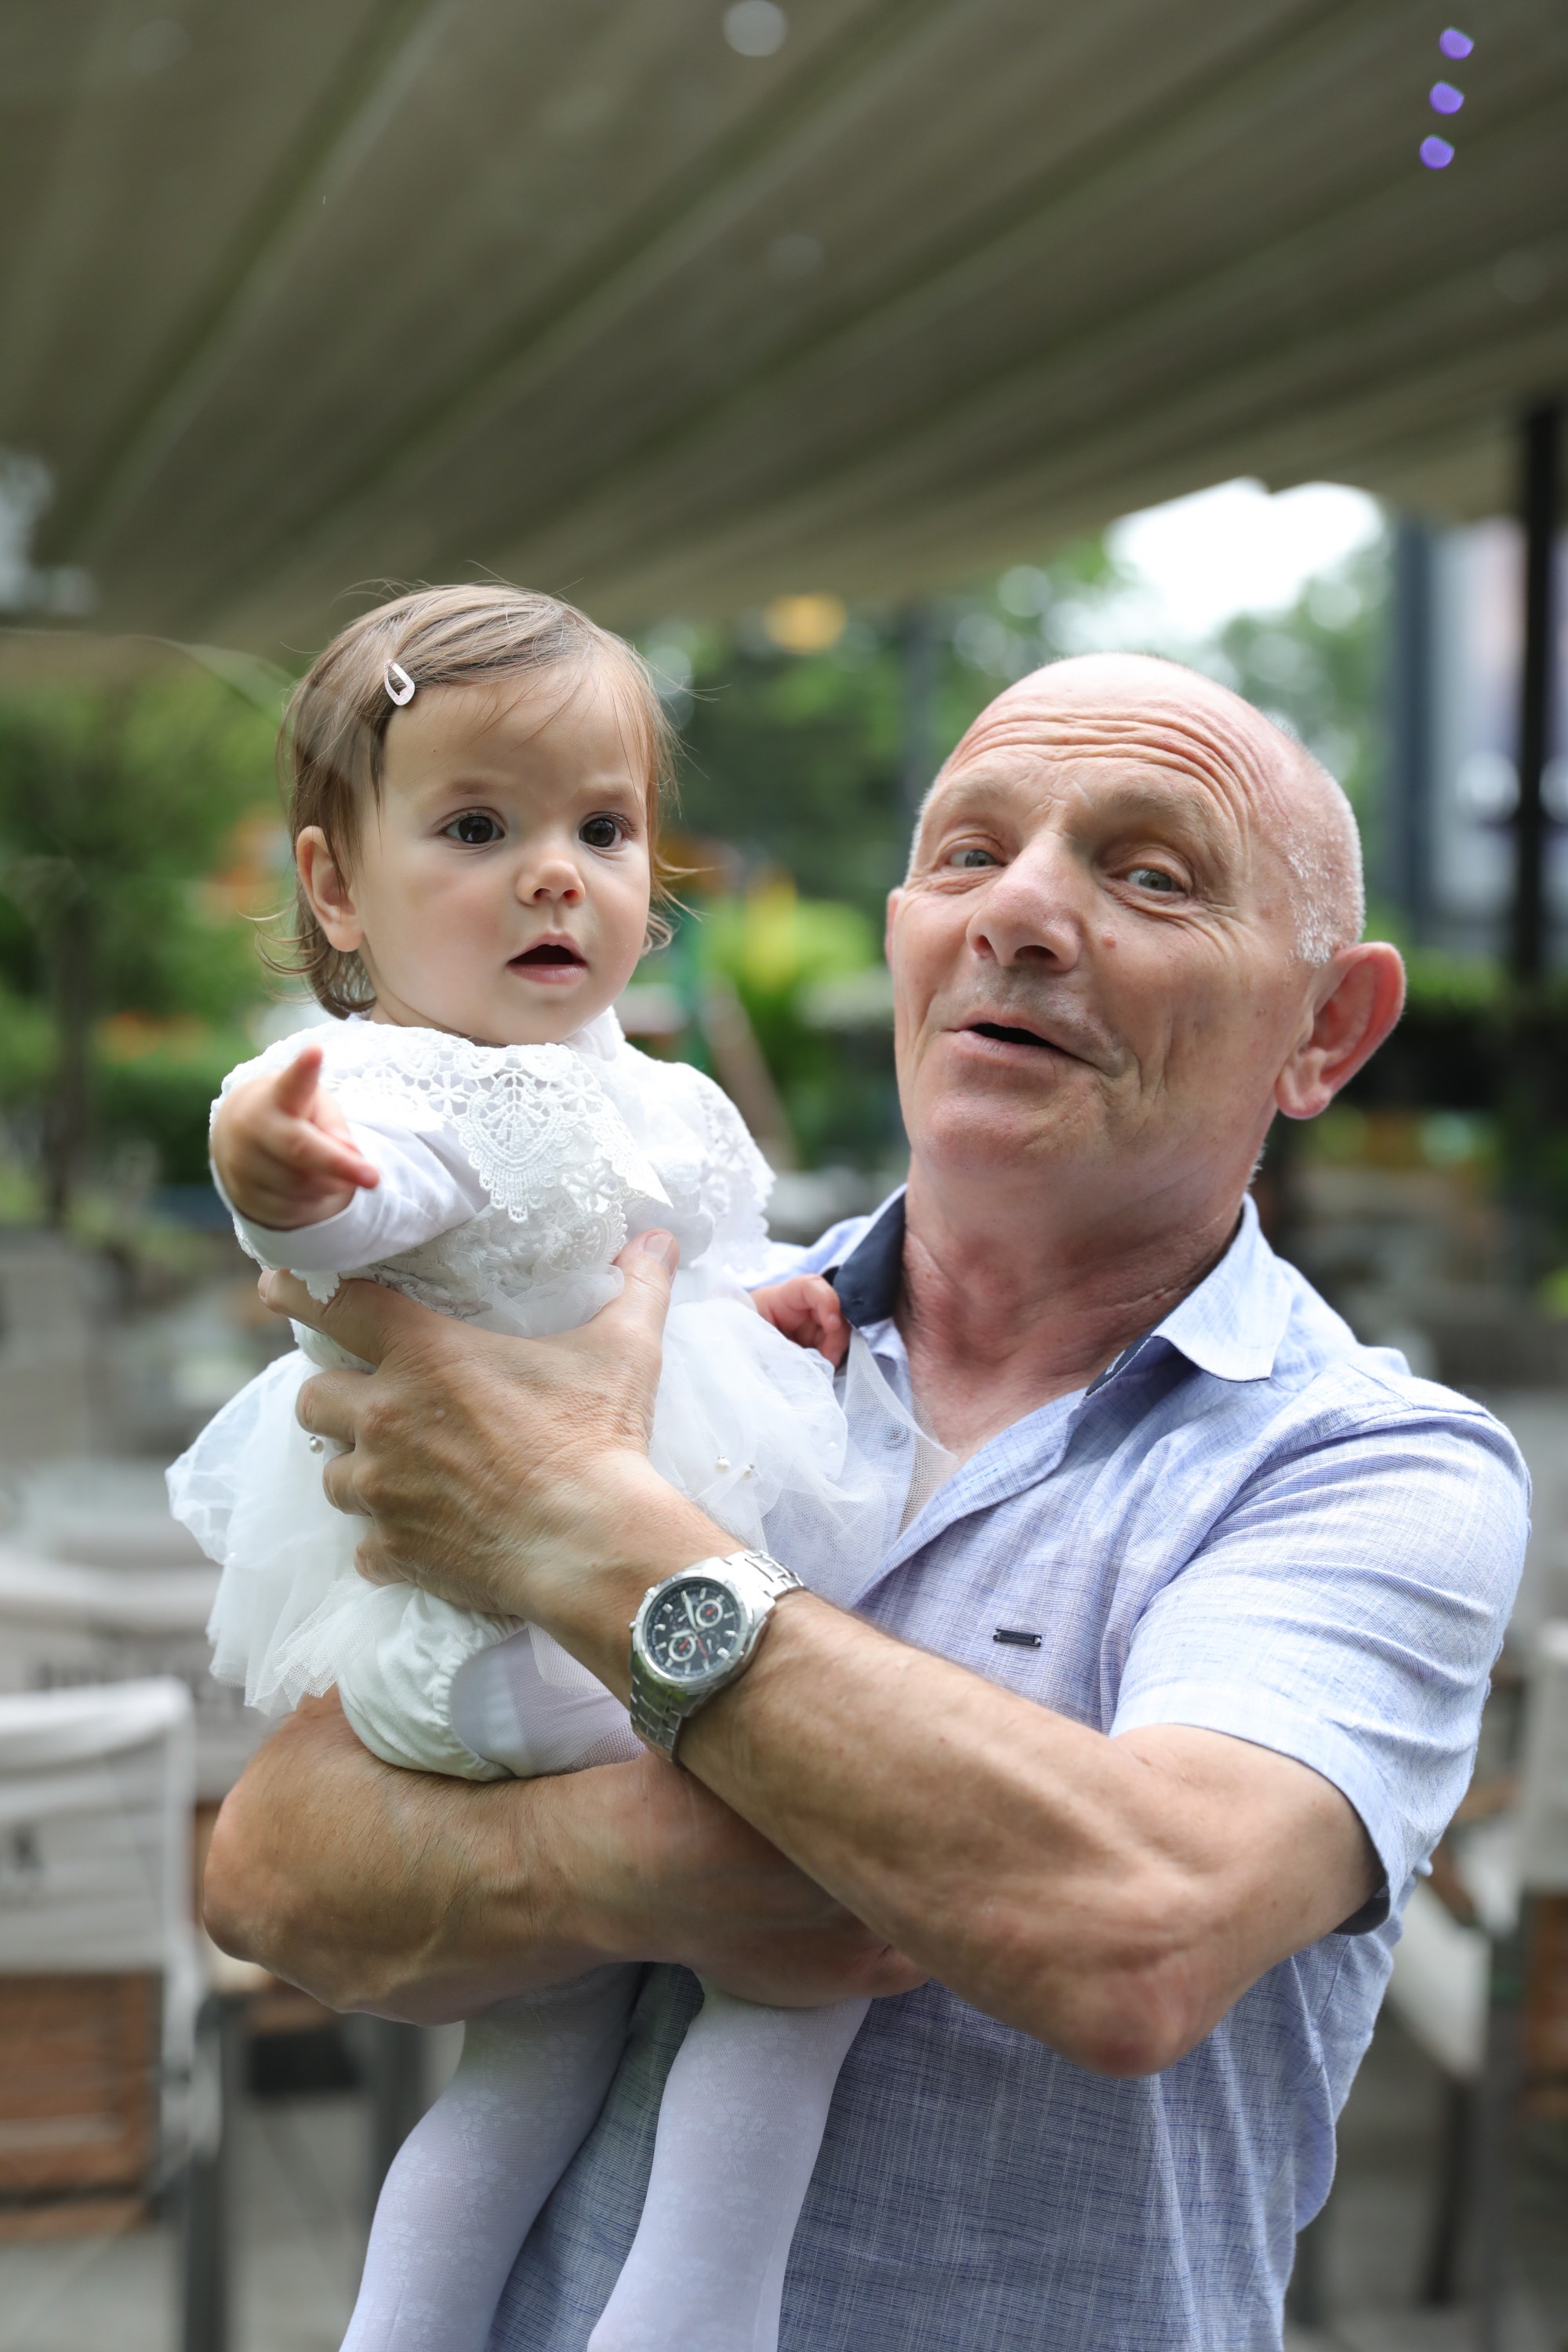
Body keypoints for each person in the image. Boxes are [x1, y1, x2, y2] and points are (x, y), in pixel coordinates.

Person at [205, 652, 1529, 2352]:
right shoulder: (693, 1320)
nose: (1019, 914)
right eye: (968, 854)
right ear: (906, 930)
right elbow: (270, 1869)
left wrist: (571, 1519)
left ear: (1324, 1028)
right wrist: (640, 1864)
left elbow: (1134, 1938)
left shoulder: (1369, 1467)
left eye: (1148, 875)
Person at [168, 583, 893, 2352]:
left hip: (516, 1651)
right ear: (338, 887)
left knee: (534, 2049)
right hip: (523, 1640)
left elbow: (661, 1262)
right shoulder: (405, 1085)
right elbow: (366, 1201)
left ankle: (403, 2326)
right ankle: (694, 2317)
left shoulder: (637, 1088)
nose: (554, 874)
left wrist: (758, 1305)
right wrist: (282, 1172)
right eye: (479, 829)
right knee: (813, 1939)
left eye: (601, 829)